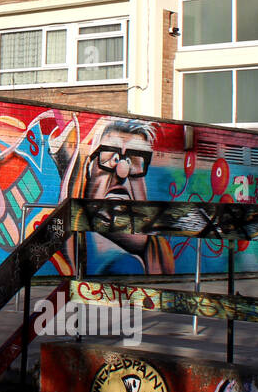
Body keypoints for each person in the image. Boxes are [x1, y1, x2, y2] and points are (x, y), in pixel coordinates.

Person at [59, 117, 175, 275]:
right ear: (88, 171)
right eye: (109, 157)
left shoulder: (158, 258)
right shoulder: (113, 261)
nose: (122, 171)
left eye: (135, 161)